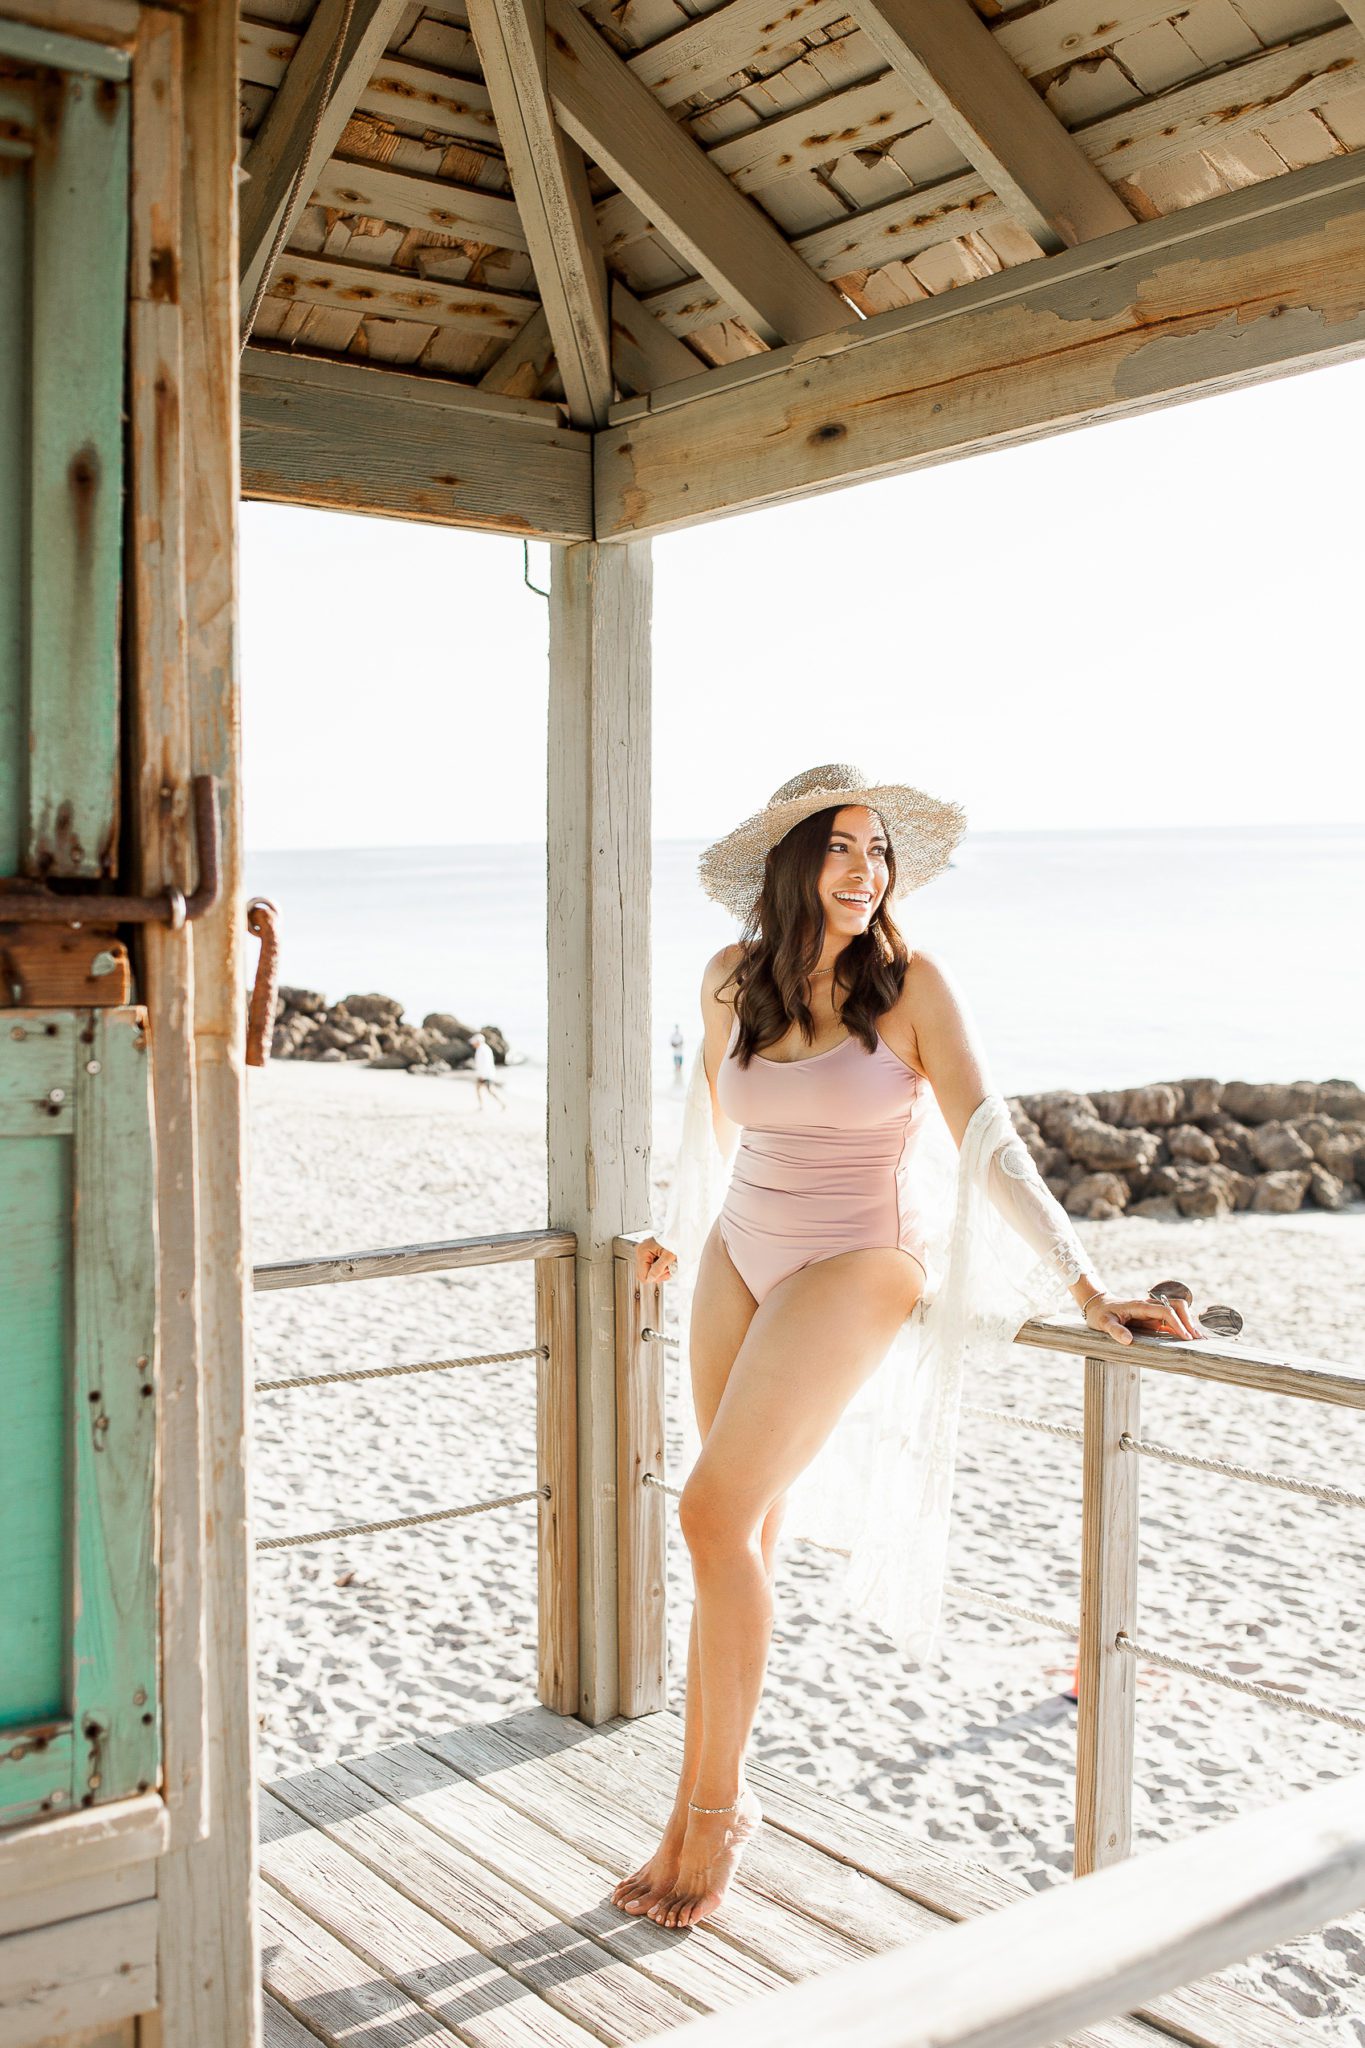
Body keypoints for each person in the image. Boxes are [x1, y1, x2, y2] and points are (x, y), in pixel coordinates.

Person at [611, 764, 1198, 1932]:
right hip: (740, 1249)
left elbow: (985, 1136)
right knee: (742, 1536)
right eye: (840, 847)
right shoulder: (731, 977)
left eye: (878, 851)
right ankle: (691, 1800)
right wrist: (677, 1232)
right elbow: (708, 1121)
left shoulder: (914, 985)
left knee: (708, 1514)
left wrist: (1083, 1283)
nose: (864, 870)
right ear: (792, 865)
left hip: (860, 1257)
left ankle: (721, 1814)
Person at [470, 1031, 505, 1111]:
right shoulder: (483, 1048)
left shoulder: (482, 1050)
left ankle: (502, 1104)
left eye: (474, 1042)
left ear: (477, 1042)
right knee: (480, 1089)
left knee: (490, 1090)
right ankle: (482, 1105)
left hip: (485, 1074)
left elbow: (485, 1064)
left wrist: (482, 1075)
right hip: (486, 1074)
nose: (473, 1044)